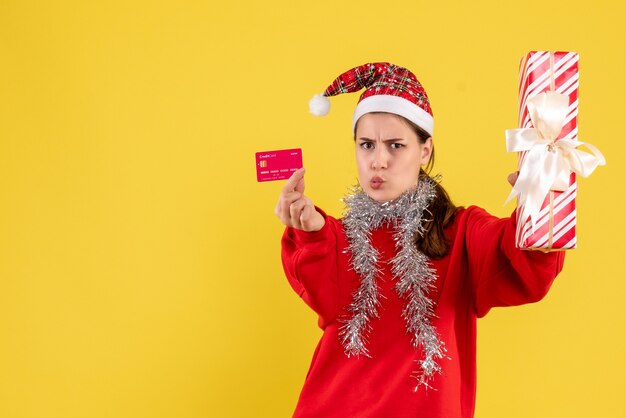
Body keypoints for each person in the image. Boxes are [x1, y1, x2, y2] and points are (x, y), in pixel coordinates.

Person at [275, 62, 565, 418]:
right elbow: (324, 294)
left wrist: (537, 220)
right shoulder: (337, 237)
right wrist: (311, 232)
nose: (378, 161)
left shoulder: (463, 233)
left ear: (425, 150)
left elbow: (521, 267)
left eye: (395, 145)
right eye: (366, 145)